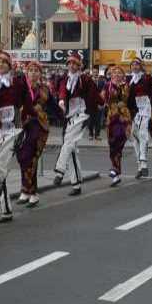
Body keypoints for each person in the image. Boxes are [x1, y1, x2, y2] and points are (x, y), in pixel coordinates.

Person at [0, 51, 34, 223]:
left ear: (9, 65)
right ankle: (6, 210)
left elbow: (28, 101)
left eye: (4, 62)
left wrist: (27, 116)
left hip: (15, 128)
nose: (1, 65)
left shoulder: (17, 82)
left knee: (0, 165)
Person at [54, 52, 97, 196]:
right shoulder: (64, 79)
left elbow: (93, 96)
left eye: (75, 64)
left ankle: (59, 171)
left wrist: (99, 105)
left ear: (79, 66)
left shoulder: (85, 79)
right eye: (70, 63)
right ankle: (76, 183)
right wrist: (61, 100)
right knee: (71, 149)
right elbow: (61, 91)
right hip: (69, 116)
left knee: (68, 142)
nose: (72, 66)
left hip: (82, 114)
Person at [16, 61, 52, 208]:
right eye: (30, 70)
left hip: (39, 125)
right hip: (23, 124)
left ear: (40, 73)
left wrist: (64, 116)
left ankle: (30, 191)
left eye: (36, 71)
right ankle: (29, 191)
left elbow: (53, 105)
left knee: (31, 158)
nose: (33, 73)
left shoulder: (44, 89)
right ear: (26, 72)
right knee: (22, 158)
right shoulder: (21, 87)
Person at [103, 64, 132, 186]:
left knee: (120, 140)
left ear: (123, 75)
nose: (116, 75)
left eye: (119, 73)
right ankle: (115, 173)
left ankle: (115, 169)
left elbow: (128, 98)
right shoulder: (107, 85)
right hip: (112, 116)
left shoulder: (127, 86)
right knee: (112, 143)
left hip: (124, 117)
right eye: (114, 73)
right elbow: (103, 99)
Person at [126, 59, 152, 178]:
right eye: (132, 64)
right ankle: (141, 164)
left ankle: (143, 160)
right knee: (133, 136)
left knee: (143, 133)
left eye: (137, 64)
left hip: (146, 107)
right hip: (134, 110)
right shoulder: (128, 79)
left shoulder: (147, 78)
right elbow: (127, 97)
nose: (134, 66)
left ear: (141, 66)